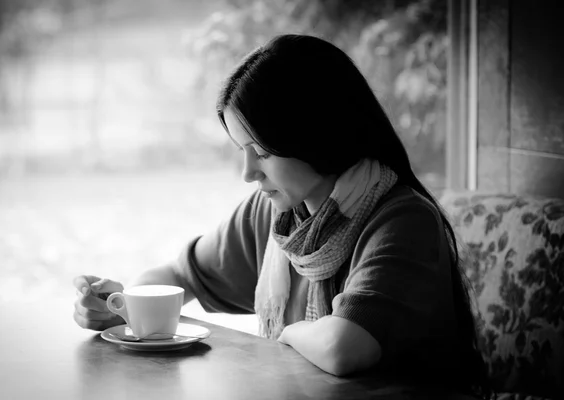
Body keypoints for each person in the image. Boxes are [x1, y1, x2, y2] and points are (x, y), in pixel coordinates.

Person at [73, 34, 490, 398]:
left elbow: (344, 347)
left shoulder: (402, 221)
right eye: (243, 151)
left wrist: (284, 335)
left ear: (316, 135)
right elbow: (178, 277)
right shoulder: (275, 213)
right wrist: (123, 308)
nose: (248, 173)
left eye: (264, 153)